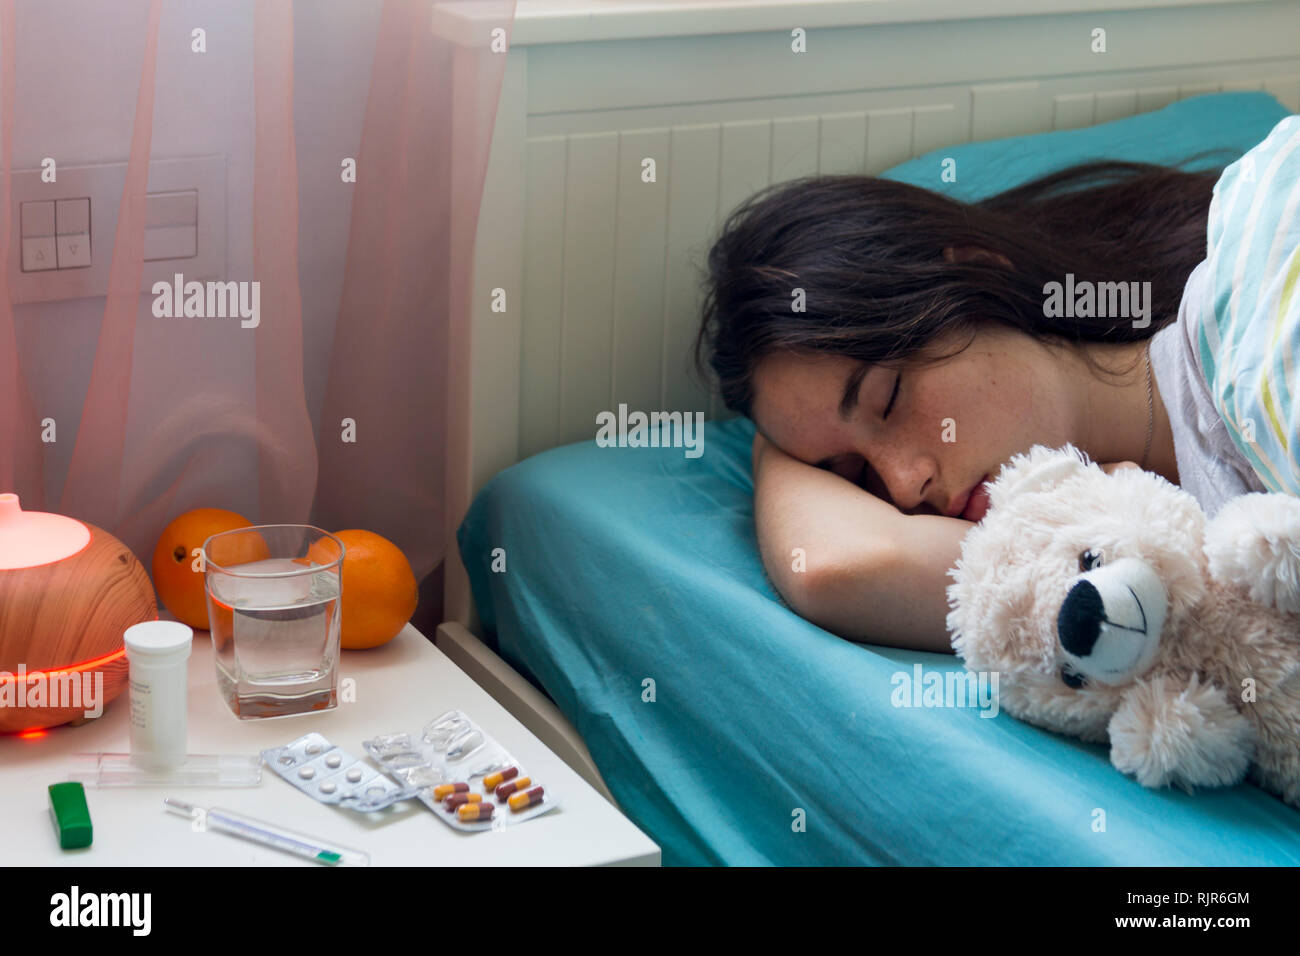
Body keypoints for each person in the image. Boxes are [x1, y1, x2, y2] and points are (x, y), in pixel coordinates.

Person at [694, 114, 1299, 654]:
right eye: (854, 477)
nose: (906, 489)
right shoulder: (1116, 570)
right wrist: (780, 434)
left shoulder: (1258, 298)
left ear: (979, 272)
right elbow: (833, 566)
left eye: (889, 398)